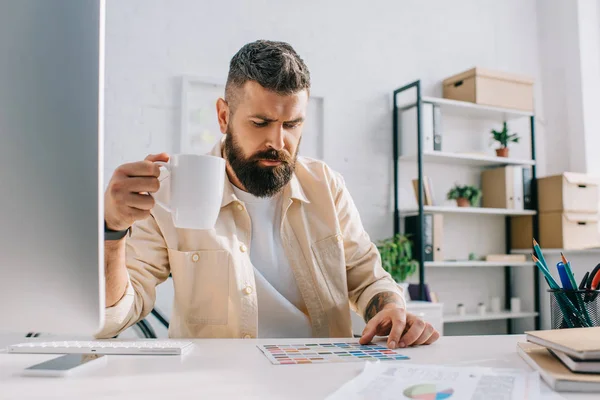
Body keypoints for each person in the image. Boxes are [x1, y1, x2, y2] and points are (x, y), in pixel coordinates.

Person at [99, 40, 440, 349]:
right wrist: (112, 229)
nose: (278, 143)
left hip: (321, 378)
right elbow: (114, 315)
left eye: (291, 125)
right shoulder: (171, 192)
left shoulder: (326, 186)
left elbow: (368, 279)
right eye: (260, 123)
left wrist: (392, 309)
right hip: (218, 384)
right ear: (223, 116)